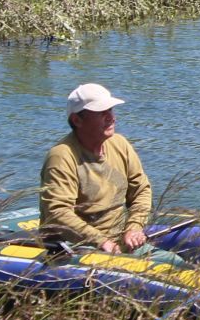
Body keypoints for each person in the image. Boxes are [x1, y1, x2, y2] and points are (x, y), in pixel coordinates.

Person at [40, 82, 152, 253]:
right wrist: (101, 241)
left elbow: (141, 190)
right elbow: (58, 212)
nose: (111, 118)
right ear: (77, 120)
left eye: (111, 111)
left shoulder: (120, 144)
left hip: (120, 240)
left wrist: (134, 226)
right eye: (101, 113)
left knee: (175, 266)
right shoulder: (62, 156)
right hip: (79, 247)